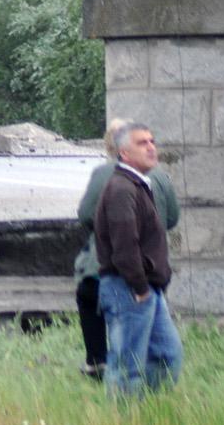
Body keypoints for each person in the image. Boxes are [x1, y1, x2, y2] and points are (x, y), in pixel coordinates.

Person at [74, 117, 180, 379]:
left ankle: (148, 410)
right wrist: (141, 286)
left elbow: (86, 214)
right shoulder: (125, 186)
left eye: (152, 141)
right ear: (124, 151)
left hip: (142, 280)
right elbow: (126, 245)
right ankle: (124, 415)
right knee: (129, 362)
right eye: (142, 143)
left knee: (166, 354)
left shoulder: (135, 181)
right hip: (132, 282)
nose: (151, 147)